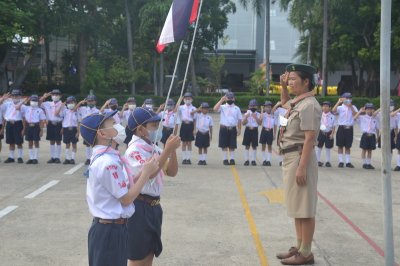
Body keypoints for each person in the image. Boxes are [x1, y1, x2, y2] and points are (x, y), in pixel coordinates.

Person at [80, 111, 159, 266]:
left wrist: (143, 172)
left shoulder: (109, 157)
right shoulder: (107, 162)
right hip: (109, 230)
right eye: (112, 123)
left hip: (113, 228)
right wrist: (146, 174)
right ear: (102, 133)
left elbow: (122, 186)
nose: (118, 126)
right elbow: (126, 198)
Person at [276, 64, 321, 265]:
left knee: (305, 208)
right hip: (290, 157)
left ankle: (306, 252)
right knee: (297, 207)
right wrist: (283, 86)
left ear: (306, 82)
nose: (290, 82)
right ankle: (299, 246)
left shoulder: (309, 104)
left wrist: (302, 167)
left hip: (300, 156)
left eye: (293, 79)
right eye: (289, 78)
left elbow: (310, 138)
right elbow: (284, 102)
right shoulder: (297, 103)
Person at [124, 107, 180, 266]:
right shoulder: (134, 150)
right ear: (140, 129)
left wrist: (172, 151)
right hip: (139, 206)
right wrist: (167, 149)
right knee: (138, 257)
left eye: (158, 124)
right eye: (153, 126)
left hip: (154, 206)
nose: (158, 129)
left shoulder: (154, 147)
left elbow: (171, 171)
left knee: (149, 253)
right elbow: (150, 174)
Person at [213, 92, 242, 165]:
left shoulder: (237, 108)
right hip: (224, 128)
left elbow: (239, 119)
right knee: (224, 144)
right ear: (226, 99)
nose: (230, 99)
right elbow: (215, 109)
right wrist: (221, 100)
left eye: (231, 98)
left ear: (234, 99)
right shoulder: (222, 107)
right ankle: (225, 159)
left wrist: (239, 129)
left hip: (232, 128)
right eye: (228, 98)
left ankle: (232, 159)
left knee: (232, 145)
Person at [332, 92, 358, 168]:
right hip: (341, 128)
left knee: (348, 146)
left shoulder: (353, 107)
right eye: (346, 98)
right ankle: (341, 161)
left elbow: (355, 115)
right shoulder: (340, 107)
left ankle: (348, 162)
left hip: (349, 128)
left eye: (350, 98)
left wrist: (351, 107)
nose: (348, 100)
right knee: (340, 145)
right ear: (343, 99)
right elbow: (333, 111)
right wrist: (338, 102)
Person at [0, 89, 25, 163]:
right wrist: (2, 99)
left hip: (18, 123)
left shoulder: (23, 106)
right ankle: (11, 157)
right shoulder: (8, 104)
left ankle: (20, 157)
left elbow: (24, 118)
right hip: (9, 124)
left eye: (17, 95)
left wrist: (24, 128)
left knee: (19, 142)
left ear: (20, 96)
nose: (15, 97)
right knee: (11, 142)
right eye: (13, 95)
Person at [40, 89, 63, 164]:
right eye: (53, 95)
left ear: (60, 96)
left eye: (57, 95)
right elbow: (39, 103)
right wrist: (44, 96)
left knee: (58, 141)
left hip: (58, 124)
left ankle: (58, 157)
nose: (55, 96)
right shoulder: (48, 103)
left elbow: (64, 117)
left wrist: (63, 127)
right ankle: (53, 157)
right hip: (50, 124)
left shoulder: (62, 105)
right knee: (52, 141)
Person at [21, 95, 46, 164]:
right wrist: (24, 128)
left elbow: (42, 121)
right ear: (30, 101)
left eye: (35, 101)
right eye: (32, 100)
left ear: (38, 102)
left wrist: (41, 130)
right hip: (28, 126)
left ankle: (35, 158)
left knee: (36, 142)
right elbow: (24, 119)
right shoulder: (26, 108)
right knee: (30, 142)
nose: (33, 102)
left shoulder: (40, 110)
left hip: (36, 126)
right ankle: (31, 158)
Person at [76, 94, 100, 165]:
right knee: (87, 145)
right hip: (86, 129)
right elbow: (75, 109)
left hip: (94, 129)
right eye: (89, 101)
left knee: (94, 144)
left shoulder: (97, 111)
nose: (90, 102)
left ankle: (94, 157)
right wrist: (80, 102)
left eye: (92, 101)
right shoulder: (83, 109)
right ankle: (88, 158)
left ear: (95, 102)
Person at [354, 103, 379, 169]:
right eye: (368, 109)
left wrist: (377, 137)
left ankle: (369, 163)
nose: (369, 111)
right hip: (365, 135)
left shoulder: (375, 118)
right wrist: (360, 111)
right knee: (364, 150)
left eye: (371, 109)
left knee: (370, 150)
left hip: (372, 135)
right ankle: (364, 163)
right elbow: (355, 118)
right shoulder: (362, 117)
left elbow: (377, 129)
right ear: (365, 110)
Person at [57, 96, 79, 164]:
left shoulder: (77, 111)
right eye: (68, 102)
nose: (70, 104)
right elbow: (58, 115)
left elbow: (79, 122)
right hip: (66, 129)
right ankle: (67, 158)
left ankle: (72, 158)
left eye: (72, 102)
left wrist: (78, 132)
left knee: (74, 144)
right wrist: (61, 106)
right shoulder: (65, 111)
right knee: (67, 144)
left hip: (74, 129)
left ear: (75, 103)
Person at [177, 92, 196, 164]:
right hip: (184, 125)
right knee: (184, 142)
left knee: (189, 143)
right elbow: (175, 109)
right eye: (186, 98)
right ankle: (184, 158)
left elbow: (194, 120)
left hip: (190, 125)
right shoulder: (181, 107)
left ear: (192, 99)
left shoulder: (194, 108)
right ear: (184, 99)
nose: (188, 100)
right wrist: (179, 100)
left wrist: (194, 129)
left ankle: (189, 158)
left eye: (189, 98)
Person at [242, 99, 262, 166]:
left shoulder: (258, 114)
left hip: (255, 130)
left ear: (257, 107)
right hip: (248, 130)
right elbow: (243, 123)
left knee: (254, 146)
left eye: (254, 106)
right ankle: (246, 160)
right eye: (251, 106)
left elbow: (259, 123)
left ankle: (253, 160)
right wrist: (246, 117)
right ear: (249, 106)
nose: (253, 107)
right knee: (247, 145)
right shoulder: (246, 113)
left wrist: (255, 117)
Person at [316, 101, 336, 167]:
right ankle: (317, 160)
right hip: (321, 132)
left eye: (327, 106)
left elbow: (333, 126)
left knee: (328, 148)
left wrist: (332, 134)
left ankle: (328, 161)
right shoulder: (319, 115)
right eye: (323, 106)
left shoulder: (332, 116)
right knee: (319, 147)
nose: (325, 108)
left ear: (330, 108)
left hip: (329, 133)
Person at [259, 101, 276, 166]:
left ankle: (268, 160)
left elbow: (274, 125)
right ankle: (264, 160)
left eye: (269, 107)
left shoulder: (273, 115)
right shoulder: (263, 114)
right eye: (266, 107)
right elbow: (260, 119)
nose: (267, 108)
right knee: (263, 145)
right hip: (264, 130)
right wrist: (262, 110)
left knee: (269, 145)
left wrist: (274, 134)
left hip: (270, 131)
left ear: (271, 107)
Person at [272, 101, 287, 166]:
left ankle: (285, 160)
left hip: (288, 129)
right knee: (280, 145)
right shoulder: (279, 109)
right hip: (281, 129)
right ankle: (281, 160)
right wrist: (277, 104)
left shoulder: (291, 108)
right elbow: (272, 112)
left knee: (287, 145)